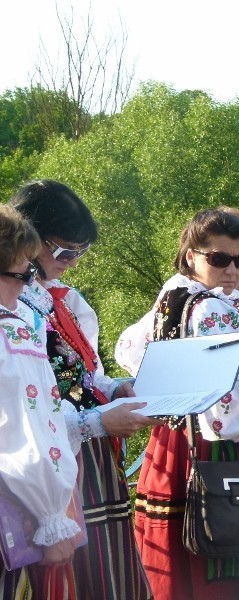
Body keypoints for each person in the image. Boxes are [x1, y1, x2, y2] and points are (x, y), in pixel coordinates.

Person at [131, 208, 239, 600]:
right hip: (215, 453)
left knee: (173, 573)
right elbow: (236, 413)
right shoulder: (213, 311)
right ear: (191, 255)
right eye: (218, 258)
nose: (231, 270)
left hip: (169, 446)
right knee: (221, 574)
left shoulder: (172, 297)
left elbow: (132, 352)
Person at [12, 180, 154, 600]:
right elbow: (26, 408)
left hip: (88, 457)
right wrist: (95, 421)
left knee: (106, 573)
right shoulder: (13, 307)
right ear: (27, 238)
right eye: (64, 252)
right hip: (49, 463)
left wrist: (116, 388)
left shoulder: (64, 302)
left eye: (80, 253)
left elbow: (87, 374)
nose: (72, 263)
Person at [0, 204, 82, 599]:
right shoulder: (10, 334)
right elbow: (29, 431)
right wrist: (52, 518)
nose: (29, 283)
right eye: (23, 272)